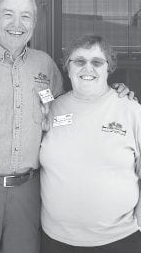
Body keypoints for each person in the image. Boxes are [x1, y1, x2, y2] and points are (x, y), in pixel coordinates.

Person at [0, 0, 135, 253]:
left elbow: (71, 110)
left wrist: (119, 95)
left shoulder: (44, 66)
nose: (17, 24)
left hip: (27, 195)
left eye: (25, 16)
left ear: (34, 23)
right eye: (8, 14)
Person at [40, 35, 141, 253]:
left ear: (109, 68)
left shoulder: (131, 110)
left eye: (97, 62)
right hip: (56, 240)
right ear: (67, 68)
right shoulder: (51, 110)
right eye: (79, 61)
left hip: (120, 239)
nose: (88, 68)